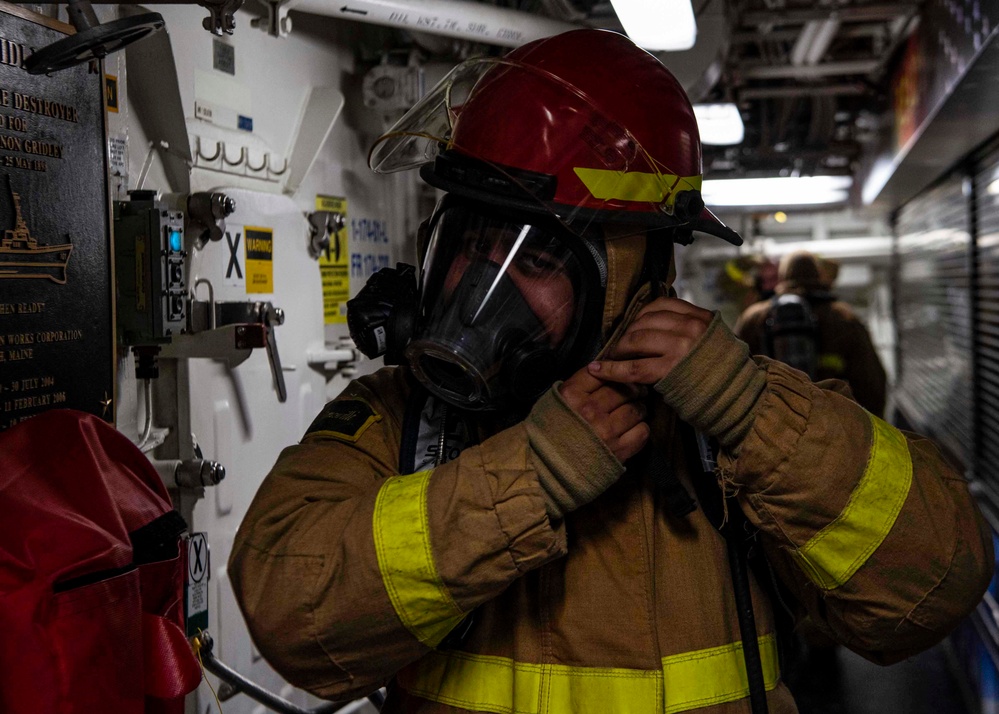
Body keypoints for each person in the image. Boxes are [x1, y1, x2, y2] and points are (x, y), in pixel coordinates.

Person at [228, 29, 993, 714]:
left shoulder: (731, 428)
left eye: (536, 259)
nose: (479, 287)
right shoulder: (396, 419)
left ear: (639, 285)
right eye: (470, 242)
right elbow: (287, 617)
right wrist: (529, 476)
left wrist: (751, 415)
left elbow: (932, 589)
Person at [734, 250, 887, 417]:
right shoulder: (845, 318)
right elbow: (872, 384)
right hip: (831, 424)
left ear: (783, 277)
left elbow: (735, 372)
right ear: (818, 275)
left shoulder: (754, 317)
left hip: (773, 425)